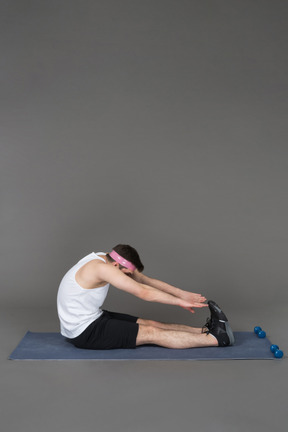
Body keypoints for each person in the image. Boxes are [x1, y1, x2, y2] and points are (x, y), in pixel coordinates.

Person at [57, 244, 234, 350]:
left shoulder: (104, 258)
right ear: (117, 265)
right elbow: (143, 292)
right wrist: (180, 302)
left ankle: (207, 331)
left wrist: (180, 293)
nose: (129, 276)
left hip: (91, 318)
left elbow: (144, 281)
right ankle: (216, 339)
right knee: (151, 333)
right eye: (127, 273)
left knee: (152, 323)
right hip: (83, 332)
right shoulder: (101, 268)